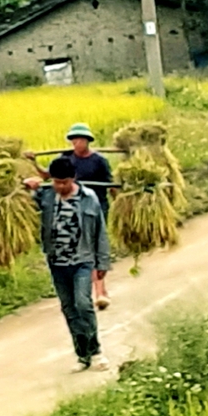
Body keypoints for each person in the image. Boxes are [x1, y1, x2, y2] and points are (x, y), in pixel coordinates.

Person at [24, 156, 110, 370]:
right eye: (56, 182)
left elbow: (100, 232)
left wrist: (102, 263)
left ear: (73, 178)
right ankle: (83, 356)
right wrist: (30, 188)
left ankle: (96, 351)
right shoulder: (46, 196)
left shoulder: (88, 198)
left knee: (83, 304)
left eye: (64, 182)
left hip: (82, 259)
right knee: (69, 309)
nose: (60, 187)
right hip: (57, 262)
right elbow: (25, 207)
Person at [63, 123, 115, 311]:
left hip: (96, 209)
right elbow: (51, 177)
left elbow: (111, 185)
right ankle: (85, 293)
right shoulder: (66, 159)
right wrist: (33, 164)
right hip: (72, 209)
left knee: (94, 248)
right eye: (74, 139)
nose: (77, 143)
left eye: (81, 139)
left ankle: (100, 291)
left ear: (87, 141)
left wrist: (120, 205)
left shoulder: (99, 161)